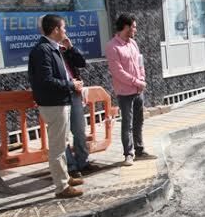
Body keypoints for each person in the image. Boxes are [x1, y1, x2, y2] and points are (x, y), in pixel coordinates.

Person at [28, 14, 85, 198]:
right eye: (63, 28)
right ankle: (61, 187)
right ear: (55, 30)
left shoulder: (53, 48)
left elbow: (78, 64)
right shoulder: (42, 50)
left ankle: (65, 177)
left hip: (61, 102)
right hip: (54, 104)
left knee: (62, 143)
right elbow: (45, 81)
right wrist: (71, 85)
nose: (65, 31)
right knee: (58, 148)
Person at [106, 14, 157, 166]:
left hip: (138, 89)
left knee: (138, 121)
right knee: (127, 123)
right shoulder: (112, 46)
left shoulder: (133, 43)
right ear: (126, 27)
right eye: (133, 26)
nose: (135, 29)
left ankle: (139, 150)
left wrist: (142, 78)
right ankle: (128, 153)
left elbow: (140, 61)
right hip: (125, 92)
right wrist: (136, 81)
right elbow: (117, 71)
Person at [60, 39, 100, 178]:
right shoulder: (46, 51)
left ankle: (83, 162)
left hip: (75, 94)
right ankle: (71, 167)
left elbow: (81, 63)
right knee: (63, 135)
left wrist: (70, 47)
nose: (64, 32)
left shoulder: (65, 50)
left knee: (79, 130)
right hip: (60, 97)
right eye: (62, 28)